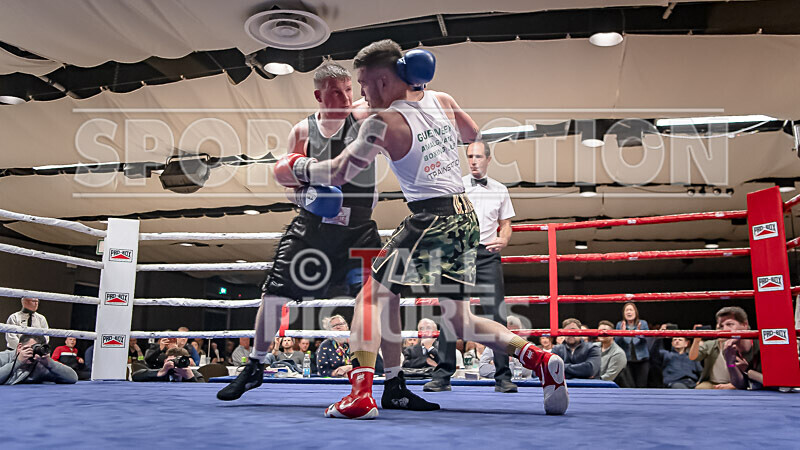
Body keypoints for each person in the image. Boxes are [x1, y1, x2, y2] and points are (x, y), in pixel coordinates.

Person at [276, 39, 566, 419]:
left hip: (430, 218)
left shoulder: (381, 123)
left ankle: (360, 396)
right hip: (465, 220)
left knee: (368, 298)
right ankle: (539, 359)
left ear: (381, 81)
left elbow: (339, 173)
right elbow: (471, 132)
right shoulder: (440, 99)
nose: (359, 92)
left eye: (362, 83)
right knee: (460, 319)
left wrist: (294, 167)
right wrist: (418, 91)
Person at [217, 59, 432, 412]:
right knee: (274, 292)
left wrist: (413, 78)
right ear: (319, 95)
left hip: (360, 230)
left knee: (387, 300)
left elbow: (398, 96)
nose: (346, 97)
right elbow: (289, 184)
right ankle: (255, 365)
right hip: (312, 227)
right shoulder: (301, 131)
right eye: (336, 92)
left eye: (349, 90)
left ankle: (395, 383)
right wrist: (310, 198)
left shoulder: (364, 115)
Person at [425, 140, 517, 393]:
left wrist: (505, 238)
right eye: (470, 156)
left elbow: (506, 223)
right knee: (450, 314)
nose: (473, 160)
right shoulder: (456, 186)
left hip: (487, 253)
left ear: (488, 159)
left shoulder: (500, 189)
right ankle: (442, 375)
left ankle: (503, 376)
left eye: (478, 156)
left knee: (496, 313)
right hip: (458, 253)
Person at [690, 306, 762, 390]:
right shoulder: (727, 348)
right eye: (721, 326)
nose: (724, 329)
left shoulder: (762, 345)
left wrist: (748, 371)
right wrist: (730, 362)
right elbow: (740, 384)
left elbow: (771, 382)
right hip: (719, 383)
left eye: (729, 324)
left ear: (744, 325)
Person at [0, 334, 77, 385]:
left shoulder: (39, 366)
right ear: (20, 347)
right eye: (33, 347)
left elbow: (73, 378)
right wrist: (18, 362)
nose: (34, 352)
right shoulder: (3, 357)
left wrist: (49, 363)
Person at [477, 316, 532, 381]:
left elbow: (528, 370)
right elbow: (483, 369)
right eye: (508, 332)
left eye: (514, 333)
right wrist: (514, 367)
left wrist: (500, 366)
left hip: (523, 386)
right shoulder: (493, 345)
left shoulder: (526, 346)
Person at [615, 302, 650, 387]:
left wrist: (638, 334)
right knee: (629, 386)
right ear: (623, 313)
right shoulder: (620, 324)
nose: (629, 312)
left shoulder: (642, 323)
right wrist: (622, 334)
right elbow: (616, 342)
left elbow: (644, 340)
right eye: (626, 310)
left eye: (631, 310)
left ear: (636, 312)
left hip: (642, 360)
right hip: (627, 361)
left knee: (641, 386)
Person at [132, 347, 204, 382]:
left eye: (178, 361)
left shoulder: (193, 374)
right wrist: (161, 372)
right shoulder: (163, 372)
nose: (175, 365)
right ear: (165, 361)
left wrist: (190, 377)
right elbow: (135, 376)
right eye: (171, 361)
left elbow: (203, 391)